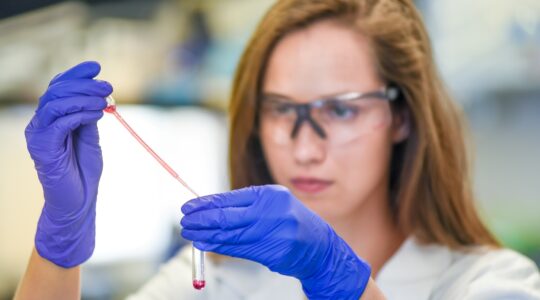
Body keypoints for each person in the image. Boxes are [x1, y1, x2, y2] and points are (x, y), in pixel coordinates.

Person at [14, 0, 540, 299]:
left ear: (401, 116)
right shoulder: (216, 283)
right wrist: (61, 241)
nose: (303, 148)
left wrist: (339, 279)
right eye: (281, 110)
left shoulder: (490, 283)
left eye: (340, 109)